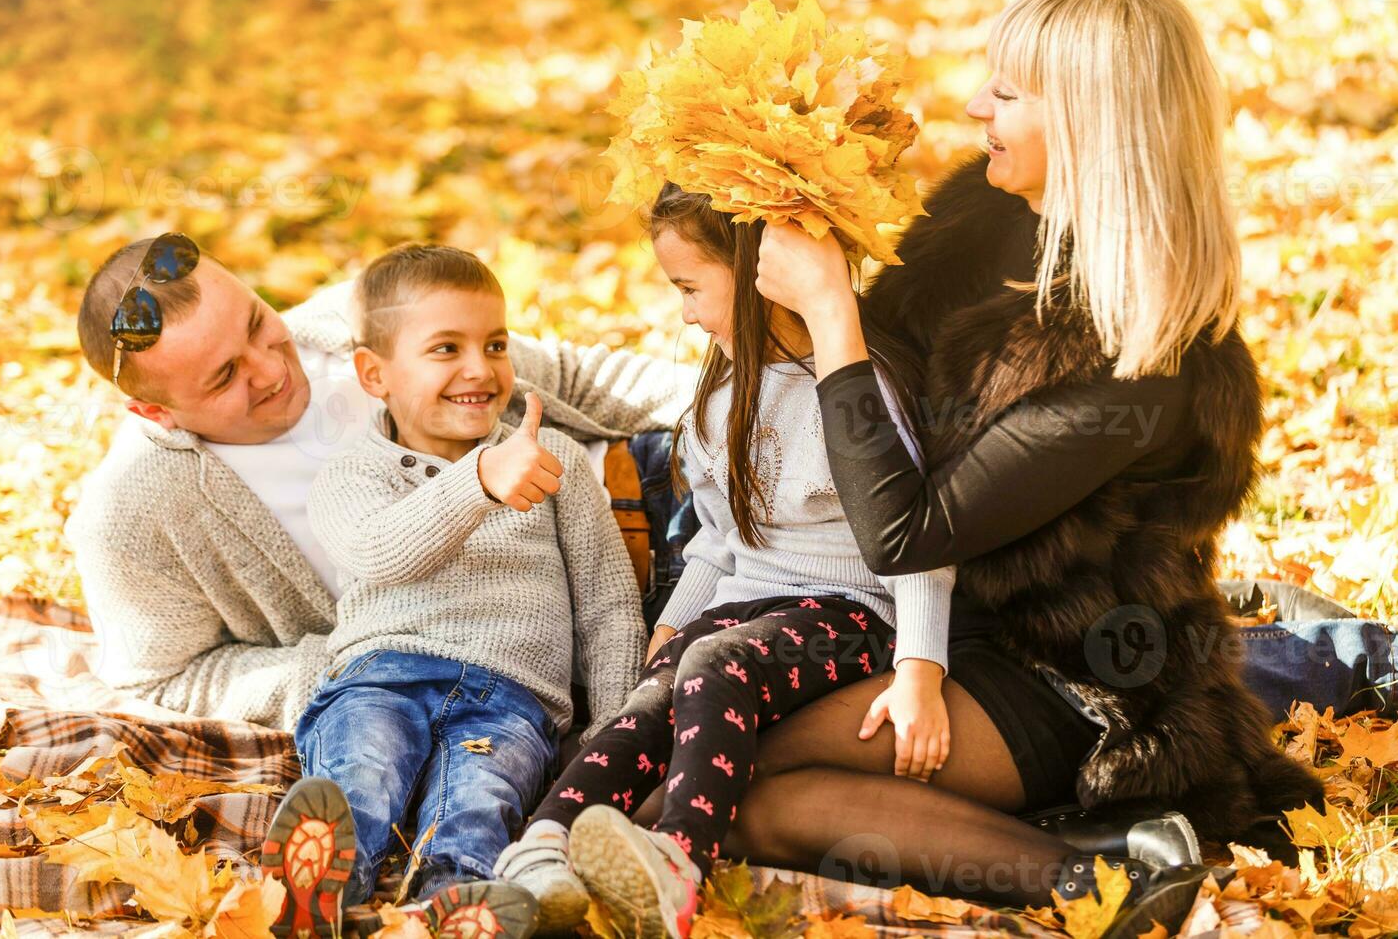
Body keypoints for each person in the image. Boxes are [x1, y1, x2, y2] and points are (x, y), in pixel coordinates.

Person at [728, 0, 1324, 935]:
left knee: (750, 784)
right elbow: (871, 399)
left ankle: (1098, 870)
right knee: (707, 740)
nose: (974, 109)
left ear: (1090, 118)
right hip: (930, 626)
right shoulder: (987, 214)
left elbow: (907, 530)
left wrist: (831, 308)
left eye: (1007, 94)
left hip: (1074, 681)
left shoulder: (1138, 362)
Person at [492, 184, 957, 937]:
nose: (683, 313)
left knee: (711, 664)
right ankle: (542, 849)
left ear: (761, 276)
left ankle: (678, 865)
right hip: (743, 607)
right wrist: (671, 621)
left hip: (846, 614)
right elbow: (717, 536)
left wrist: (920, 670)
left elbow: (918, 550)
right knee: (647, 704)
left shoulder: (856, 390)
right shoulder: (722, 393)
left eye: (688, 288)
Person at [67, 234, 694, 733]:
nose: (270, 368)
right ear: (156, 413)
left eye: (259, 323)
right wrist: (357, 671)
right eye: (225, 375)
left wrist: (741, 399)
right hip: (602, 629)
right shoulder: (131, 512)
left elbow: (572, 378)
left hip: (653, 478)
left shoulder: (355, 322)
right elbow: (161, 680)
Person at [258, 244, 646, 938]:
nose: (481, 368)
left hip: (512, 696)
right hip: (384, 675)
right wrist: (478, 482)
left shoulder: (554, 465)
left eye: (495, 344)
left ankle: (455, 902)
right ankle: (316, 885)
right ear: (375, 375)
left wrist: (609, 730)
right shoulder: (354, 470)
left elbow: (610, 606)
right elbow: (379, 552)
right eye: (446, 348)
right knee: (363, 769)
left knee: (478, 802)